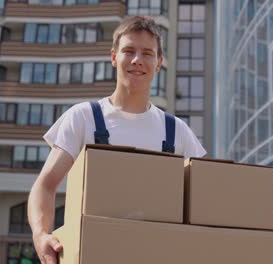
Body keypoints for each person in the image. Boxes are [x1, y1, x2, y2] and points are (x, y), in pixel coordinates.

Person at [27, 16, 206, 264]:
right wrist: (40, 235)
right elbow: (45, 186)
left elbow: (204, 199)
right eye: (129, 51)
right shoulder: (83, 118)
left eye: (147, 53)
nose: (137, 60)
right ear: (113, 57)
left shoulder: (177, 132)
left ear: (159, 63)